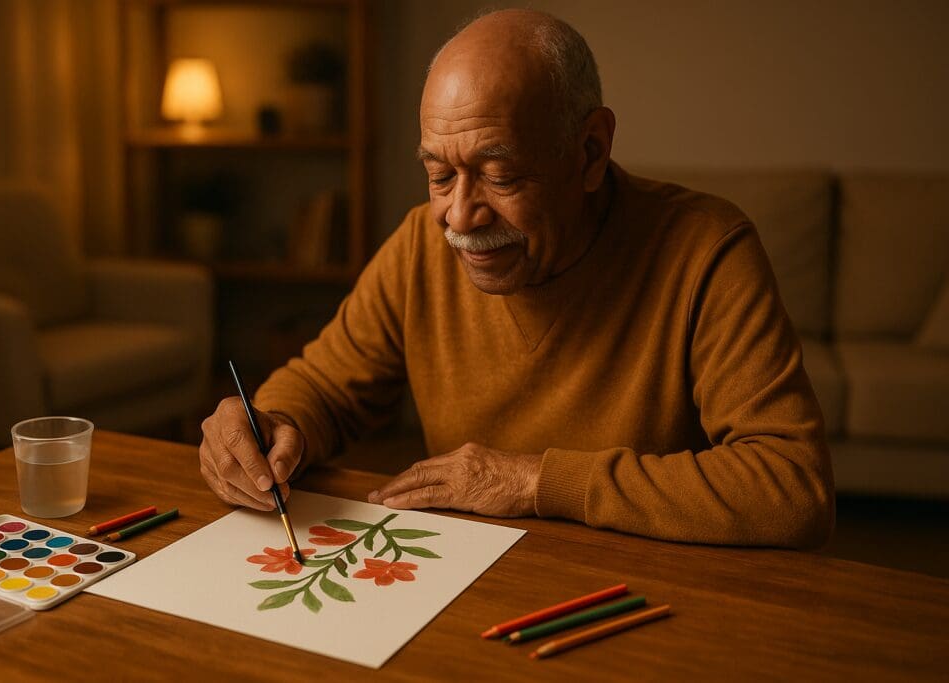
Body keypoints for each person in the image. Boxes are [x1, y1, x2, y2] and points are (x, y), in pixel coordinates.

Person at [199, 9, 835, 548]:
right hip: (466, 576)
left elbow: (791, 486)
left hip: (641, 586)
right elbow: (324, 386)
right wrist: (271, 427)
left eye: (500, 177)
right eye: (439, 175)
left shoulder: (707, 250)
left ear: (590, 152)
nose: (459, 217)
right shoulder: (422, 244)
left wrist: (535, 482)